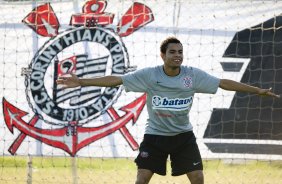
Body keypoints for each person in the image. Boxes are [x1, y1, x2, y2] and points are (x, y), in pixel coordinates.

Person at [57, 37, 280, 184]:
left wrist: (257, 90)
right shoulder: (150, 75)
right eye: (173, 52)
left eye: (180, 52)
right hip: (155, 136)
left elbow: (223, 82)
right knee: (142, 178)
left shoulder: (192, 75)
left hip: (183, 137)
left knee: (198, 178)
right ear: (162, 55)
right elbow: (116, 79)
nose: (178, 55)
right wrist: (83, 82)